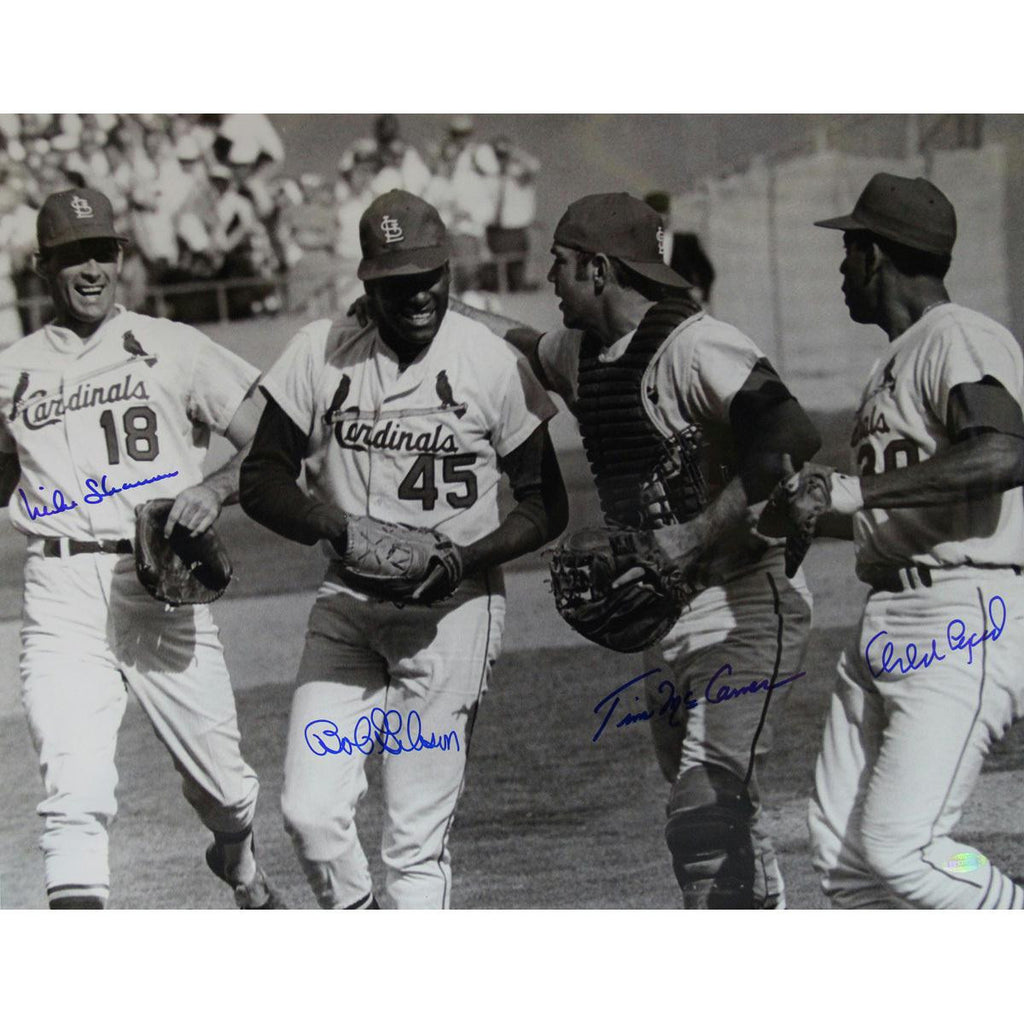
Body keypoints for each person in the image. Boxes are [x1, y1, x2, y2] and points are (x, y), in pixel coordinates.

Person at [451, 192, 820, 908]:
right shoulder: (584, 352)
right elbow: (523, 342)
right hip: (670, 617)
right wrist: (444, 306)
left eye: (558, 263)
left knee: (703, 820)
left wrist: (690, 533)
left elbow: (790, 434)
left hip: (745, 600)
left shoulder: (697, 345)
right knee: (722, 822)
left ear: (597, 268)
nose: (547, 277)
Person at [239, 189, 567, 910]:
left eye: (429, 276)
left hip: (452, 617)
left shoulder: (489, 361)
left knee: (414, 846)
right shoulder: (322, 350)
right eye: (396, 282)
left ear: (449, 269)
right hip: (348, 610)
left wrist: (465, 558)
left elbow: (547, 504)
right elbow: (261, 476)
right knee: (310, 814)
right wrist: (337, 528)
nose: (417, 294)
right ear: (366, 282)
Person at [0, 187, 282, 909]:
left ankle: (241, 863)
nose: (90, 269)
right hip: (60, 592)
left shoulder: (173, 344)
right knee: (73, 790)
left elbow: (275, 446)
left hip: (162, 582)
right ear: (43, 268)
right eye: (71, 257)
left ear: (121, 256)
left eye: (102, 252)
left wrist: (213, 491)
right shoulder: (12, 369)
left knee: (226, 791)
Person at [802, 173, 1024, 908]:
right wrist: (804, 506)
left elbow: (1002, 452)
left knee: (908, 849)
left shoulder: (959, 336)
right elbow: (904, 502)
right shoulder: (896, 359)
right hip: (890, 616)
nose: (840, 268)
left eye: (848, 249)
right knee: (843, 857)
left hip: (961, 617)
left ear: (876, 256)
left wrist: (858, 489)